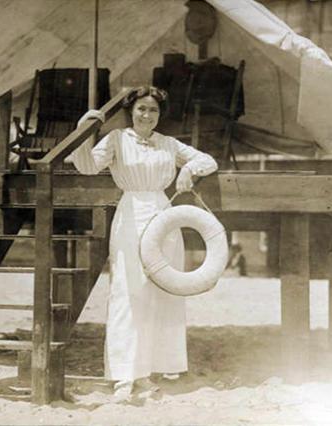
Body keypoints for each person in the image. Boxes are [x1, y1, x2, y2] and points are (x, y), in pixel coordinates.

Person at [69, 86, 218, 401]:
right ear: (131, 112)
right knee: (128, 290)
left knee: (162, 291)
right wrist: (84, 130)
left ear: (159, 114)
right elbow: (87, 166)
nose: (147, 115)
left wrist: (189, 169)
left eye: (153, 110)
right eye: (141, 109)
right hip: (131, 215)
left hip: (164, 216)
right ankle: (124, 375)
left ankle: (150, 372)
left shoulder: (168, 143)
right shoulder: (116, 140)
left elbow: (208, 160)